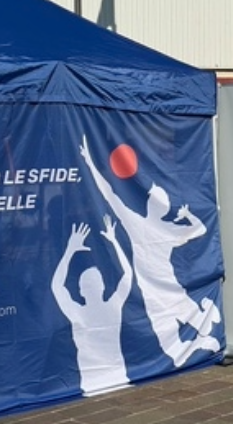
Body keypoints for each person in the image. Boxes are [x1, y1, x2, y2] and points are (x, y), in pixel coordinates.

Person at [79, 134, 221, 367]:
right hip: (163, 292)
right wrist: (187, 216)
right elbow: (200, 228)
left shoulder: (140, 222)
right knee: (174, 353)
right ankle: (207, 335)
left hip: (164, 292)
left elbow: (109, 194)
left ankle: (207, 329)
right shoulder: (167, 228)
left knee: (173, 352)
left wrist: (90, 163)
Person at [51, 216, 134, 396]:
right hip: (107, 379)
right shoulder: (113, 306)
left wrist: (70, 251)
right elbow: (127, 275)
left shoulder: (78, 312)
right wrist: (114, 242)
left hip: (99, 380)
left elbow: (57, 286)